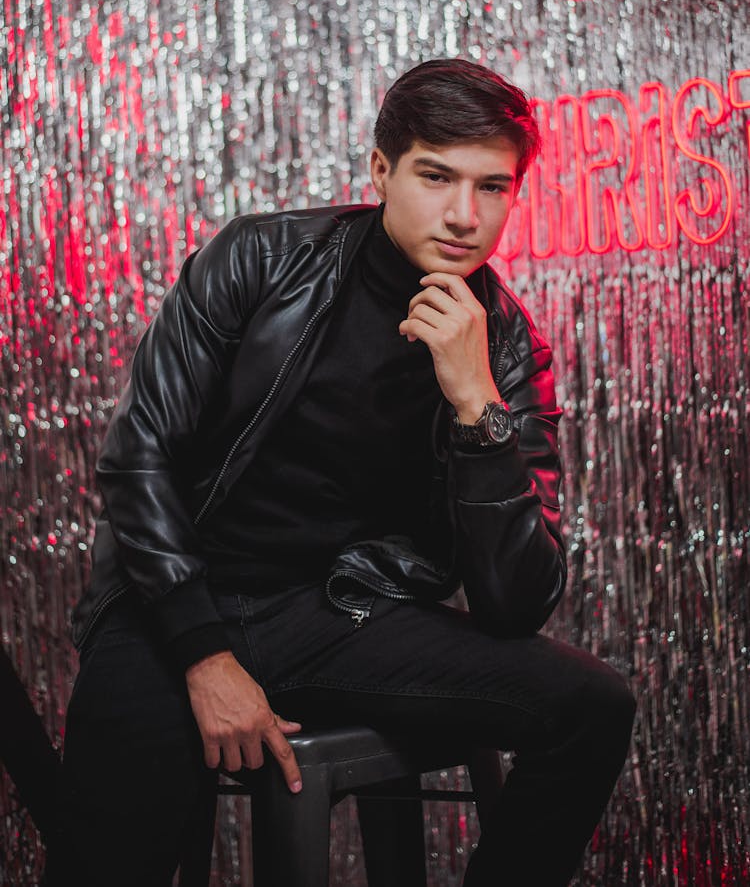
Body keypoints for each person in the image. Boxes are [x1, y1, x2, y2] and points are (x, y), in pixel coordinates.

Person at [52, 57, 635, 886]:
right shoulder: (260, 259)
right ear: (381, 170)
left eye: (493, 187)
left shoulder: (506, 347)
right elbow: (138, 453)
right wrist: (205, 655)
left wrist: (478, 408)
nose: (465, 215)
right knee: (111, 854)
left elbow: (516, 599)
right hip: (174, 597)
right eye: (437, 176)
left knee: (593, 706)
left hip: (335, 613)